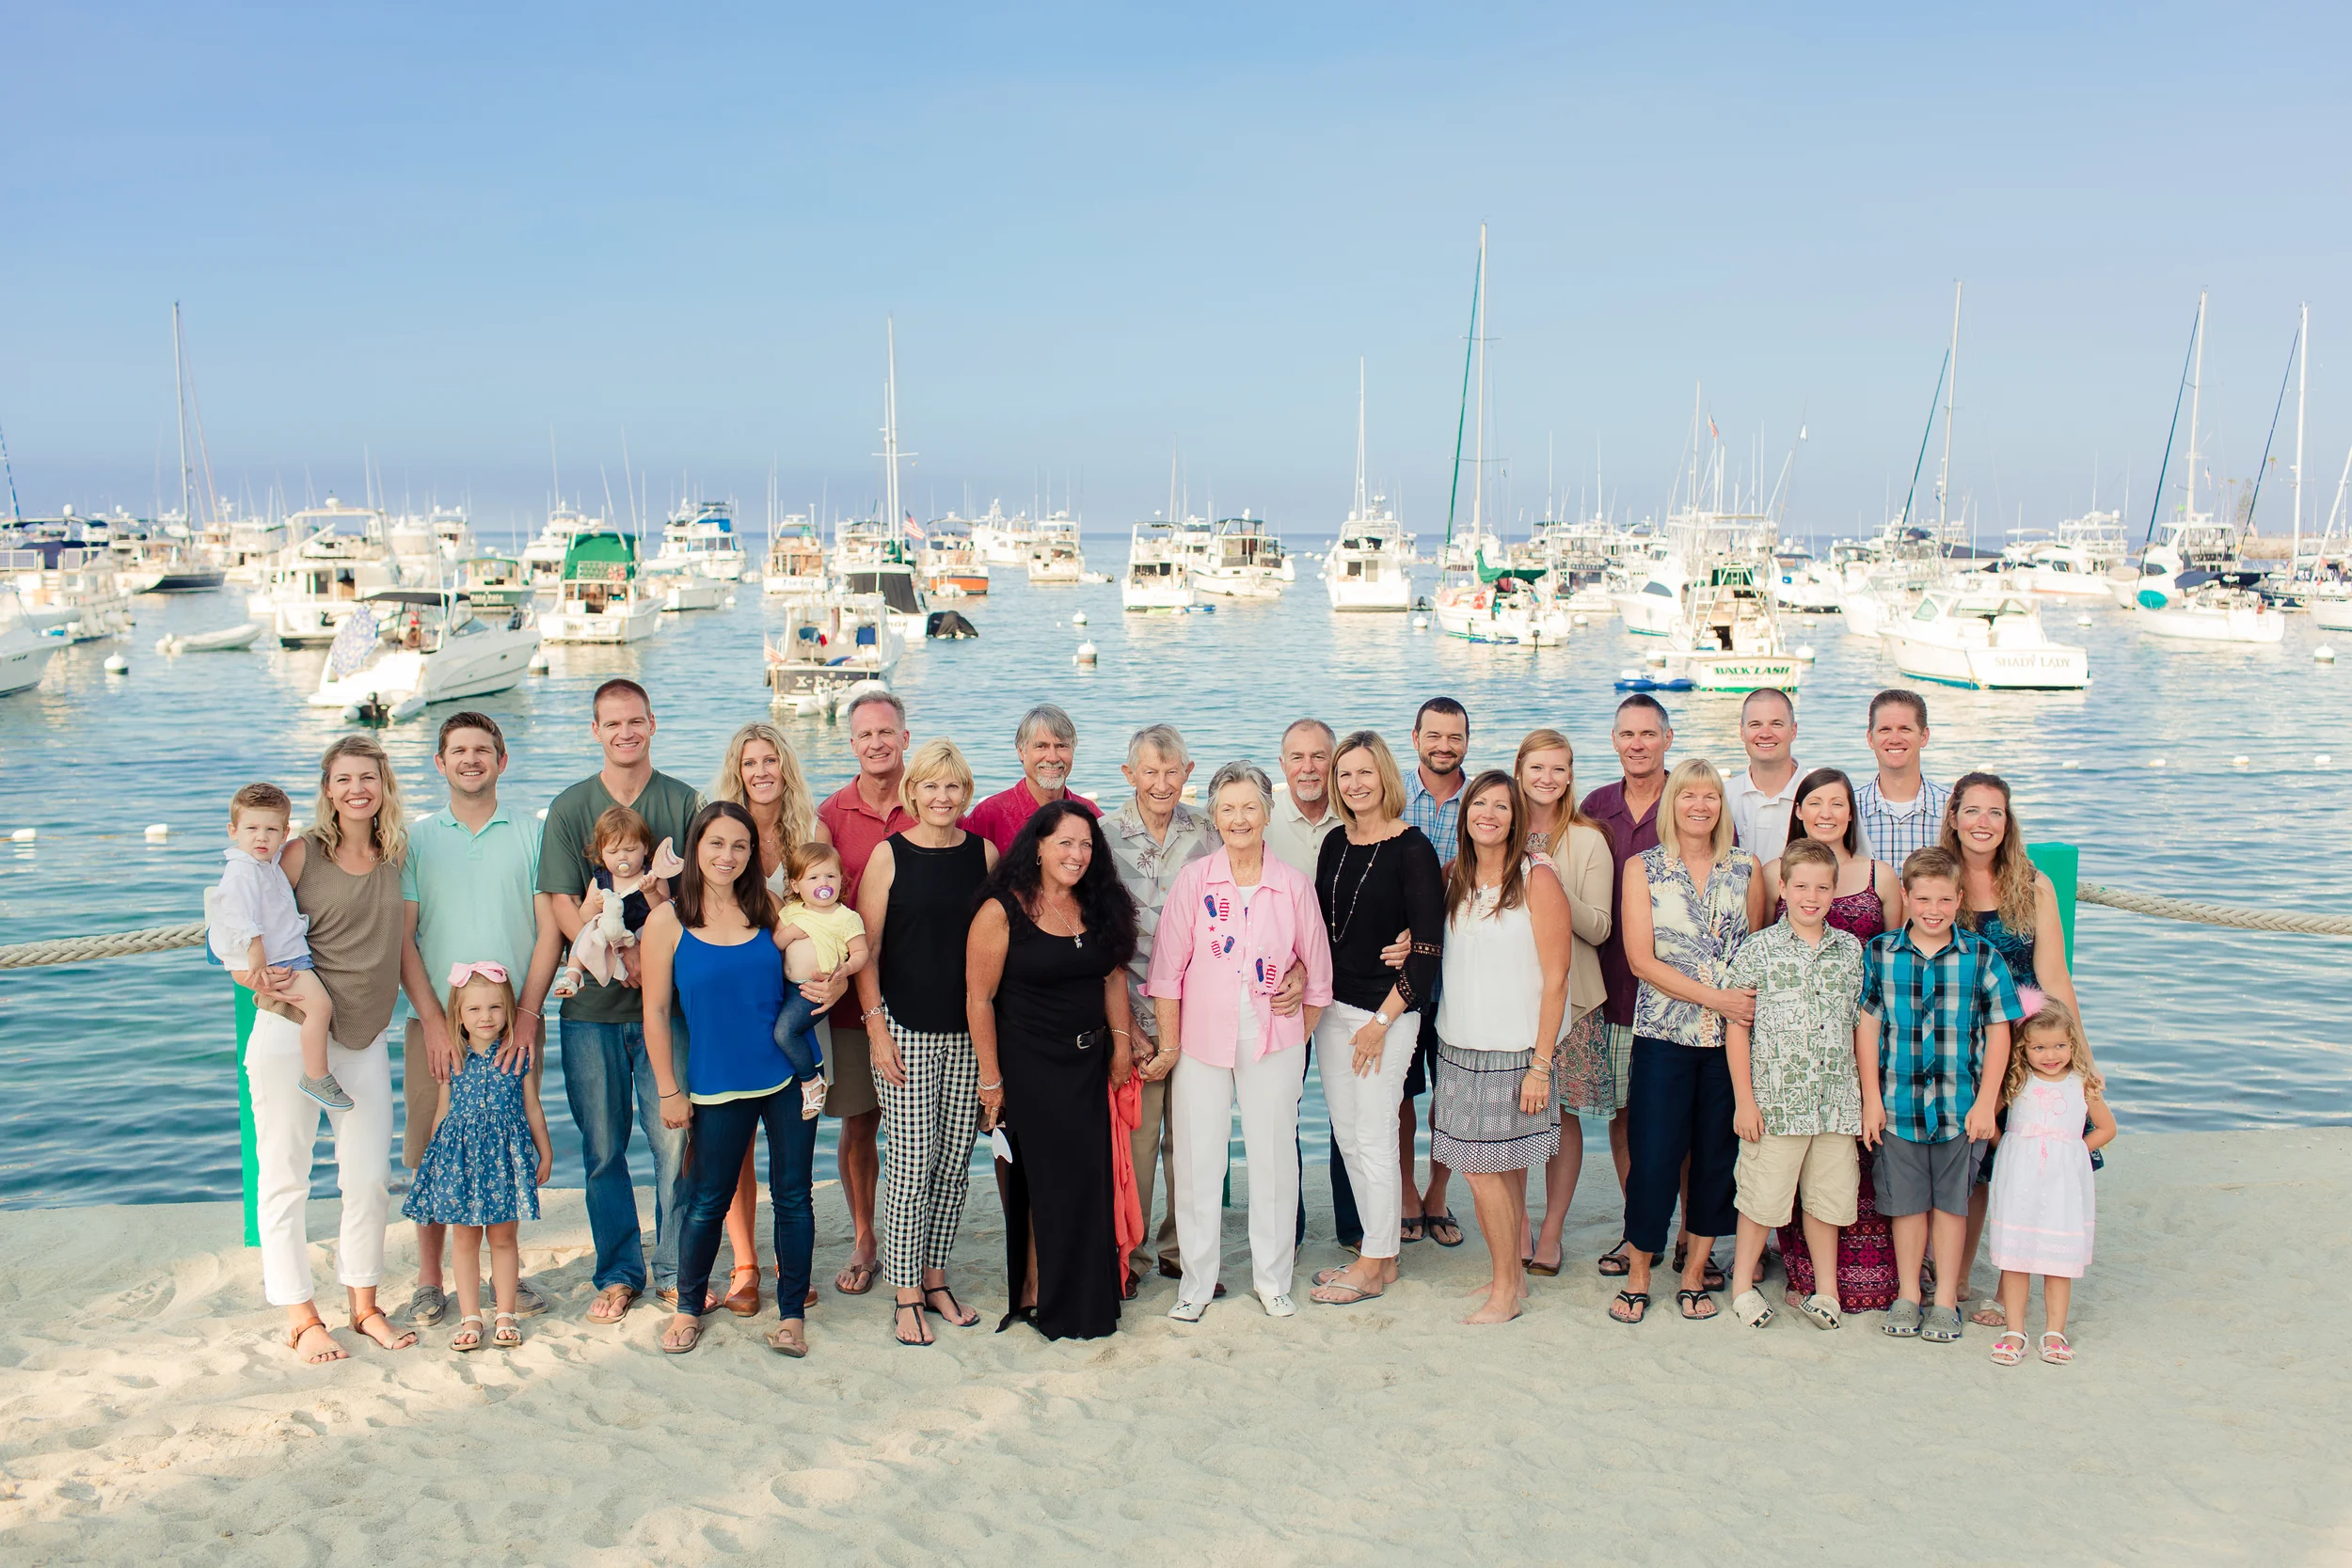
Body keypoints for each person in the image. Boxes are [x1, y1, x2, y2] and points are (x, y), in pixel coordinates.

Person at [236, 735, 424, 1363]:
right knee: (285, 1176)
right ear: (327, 789)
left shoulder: (396, 855)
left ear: (383, 784)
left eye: (367, 777)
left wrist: (432, 1017)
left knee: (368, 1178)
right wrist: (246, 973)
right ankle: (300, 1315)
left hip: (363, 1037)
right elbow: (240, 915)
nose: (356, 789)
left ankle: (363, 1305)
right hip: (291, 1030)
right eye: (343, 778)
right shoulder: (298, 853)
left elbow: (403, 947)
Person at [537, 678, 705, 1323]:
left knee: (674, 1143)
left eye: (635, 721)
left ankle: (675, 1269)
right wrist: (613, 956)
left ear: (652, 724)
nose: (625, 732)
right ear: (595, 730)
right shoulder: (570, 806)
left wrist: (647, 957)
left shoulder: (682, 801)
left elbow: (697, 896)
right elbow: (561, 902)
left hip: (668, 1008)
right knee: (603, 1148)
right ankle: (617, 1272)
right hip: (591, 1014)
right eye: (612, 723)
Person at [1149, 761, 1333, 1321]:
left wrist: (1295, 1041)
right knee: (1198, 1160)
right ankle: (1196, 1285)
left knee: (1273, 1159)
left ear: (1267, 812)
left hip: (1273, 1040)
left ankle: (1272, 1280)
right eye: (1227, 809)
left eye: (1250, 806)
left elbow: (1318, 980)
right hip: (1201, 1040)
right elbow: (1166, 974)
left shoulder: (1293, 885)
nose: (1239, 818)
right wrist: (1171, 1045)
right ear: (1214, 817)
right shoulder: (1194, 881)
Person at [398, 712, 562, 1330]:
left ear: (502, 760)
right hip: (437, 1024)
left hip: (514, 1023)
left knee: (509, 1138)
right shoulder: (416, 839)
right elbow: (404, 938)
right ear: (440, 762)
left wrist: (528, 1013)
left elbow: (549, 929)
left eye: (483, 750)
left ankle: (503, 1277)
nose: (471, 759)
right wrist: (434, 1023)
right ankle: (430, 1277)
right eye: (459, 750)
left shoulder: (532, 834)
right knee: (433, 1144)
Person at [640, 802, 820, 1357]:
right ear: (695, 846)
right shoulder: (667, 921)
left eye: (740, 845)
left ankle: (791, 1314)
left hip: (788, 1075)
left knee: (794, 1197)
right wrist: (669, 1090)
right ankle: (689, 1306)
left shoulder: (767, 906)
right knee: (706, 1201)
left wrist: (833, 980)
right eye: (716, 843)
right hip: (716, 1083)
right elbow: (655, 1013)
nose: (728, 855)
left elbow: (807, 972)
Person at [968, 800, 1141, 1339]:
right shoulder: (1003, 910)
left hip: (1087, 1065)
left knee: (1087, 1182)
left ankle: (1086, 1296)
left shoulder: (1098, 902)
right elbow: (978, 999)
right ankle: (1038, 1293)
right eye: (1065, 842)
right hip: (1030, 1069)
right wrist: (991, 1080)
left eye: (1086, 844)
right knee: (1046, 1184)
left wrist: (1120, 1045)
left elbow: (1113, 976)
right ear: (1038, 847)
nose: (1077, 854)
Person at [853, 737, 997, 1346]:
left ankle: (935, 1278)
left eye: (952, 786)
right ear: (913, 793)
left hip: (967, 1033)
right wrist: (876, 1028)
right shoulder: (888, 856)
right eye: (931, 786)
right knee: (911, 1164)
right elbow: (866, 949)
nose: (942, 796)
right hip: (905, 1031)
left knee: (954, 1165)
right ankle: (905, 1291)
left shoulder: (984, 854)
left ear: (966, 793)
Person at [1942, 769, 2091, 1328]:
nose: (1983, 822)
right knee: (1969, 1167)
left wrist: (2083, 1059)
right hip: (1959, 1042)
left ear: (2008, 822)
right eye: (1973, 810)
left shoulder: (2032, 883)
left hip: (2027, 1046)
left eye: (1995, 812)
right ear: (1954, 817)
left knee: (2024, 1164)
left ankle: (2010, 1292)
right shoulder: (1940, 878)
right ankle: (1957, 1277)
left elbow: (2054, 975)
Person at [1612, 757, 1757, 1324]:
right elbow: (1641, 960)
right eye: (1688, 796)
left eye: (1710, 796)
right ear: (1671, 804)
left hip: (1730, 1042)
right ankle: (1639, 1273)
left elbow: (1753, 951)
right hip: (1664, 1034)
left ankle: (1695, 1271)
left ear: (1722, 806)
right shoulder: (1643, 868)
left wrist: (1730, 1009)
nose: (1699, 806)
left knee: (1717, 1157)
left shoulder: (1746, 867)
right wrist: (1716, 999)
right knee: (1653, 1157)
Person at [1754, 766, 1903, 1314]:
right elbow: (1760, 950)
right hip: (1791, 1055)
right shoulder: (1773, 872)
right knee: (1793, 1160)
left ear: (1851, 812)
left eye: (1837, 803)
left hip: (1859, 1042)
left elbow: (1894, 961)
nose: (1826, 813)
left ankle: (1861, 1274)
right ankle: (1800, 1269)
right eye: (1815, 802)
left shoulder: (1880, 876)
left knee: (1854, 1160)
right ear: (1798, 811)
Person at [1858, 847, 2022, 1344]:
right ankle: (1909, 1294)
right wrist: (1871, 1100)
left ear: (1960, 900)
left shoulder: (1981, 956)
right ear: (1905, 897)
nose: (1934, 909)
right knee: (1906, 1205)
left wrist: (1987, 1102)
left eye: (1945, 899)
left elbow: (1999, 1030)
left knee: (1952, 1206)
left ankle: (1946, 1298)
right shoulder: (1880, 953)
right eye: (1924, 898)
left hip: (1960, 1107)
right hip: (1898, 1105)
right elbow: (1868, 1027)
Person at [1304, 733, 1443, 1307]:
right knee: (1348, 1136)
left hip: (1386, 1014)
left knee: (1377, 1135)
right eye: (1345, 774)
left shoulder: (1413, 848)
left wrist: (1380, 1022)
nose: (1355, 784)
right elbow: (1318, 927)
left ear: (1385, 775)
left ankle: (1374, 1260)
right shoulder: (1335, 842)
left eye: (1365, 772)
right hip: (1333, 1011)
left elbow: (1427, 952)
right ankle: (1379, 1258)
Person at [707, 720, 836, 1315]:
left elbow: (834, 918)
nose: (761, 772)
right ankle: (744, 1264)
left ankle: (790, 1261)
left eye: (770, 760)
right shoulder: (720, 831)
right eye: (749, 762)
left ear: (785, 765)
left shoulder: (812, 831)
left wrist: (838, 980)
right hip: (736, 1000)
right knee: (734, 1143)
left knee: (792, 1142)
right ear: (737, 771)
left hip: (797, 1004)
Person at [1431, 772, 1568, 1326]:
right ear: (1465, 813)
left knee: (1483, 1172)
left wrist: (1541, 1065)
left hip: (1515, 1053)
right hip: (1458, 1045)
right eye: (1479, 804)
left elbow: (1557, 979)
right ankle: (1509, 1278)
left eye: (1501, 806)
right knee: (1498, 1171)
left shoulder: (1537, 878)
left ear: (1516, 819)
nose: (1488, 814)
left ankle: (1506, 1291)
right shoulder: (1454, 878)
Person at [1722, 839, 1867, 1331]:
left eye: (1822, 888)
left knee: (1827, 1200)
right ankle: (1743, 1286)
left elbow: (1857, 1026)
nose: (1811, 897)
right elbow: (1737, 1028)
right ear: (1782, 888)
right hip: (1775, 1102)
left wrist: (1864, 1099)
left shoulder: (1849, 951)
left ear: (1835, 891)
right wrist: (1744, 1101)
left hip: (1835, 1102)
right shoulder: (1758, 949)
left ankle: (1826, 1290)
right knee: (1762, 1197)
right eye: (1801, 886)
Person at [1104, 723, 1214, 1293]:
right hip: (1132, 1019)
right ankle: (1133, 1258)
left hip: (1198, 1019)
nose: (1162, 783)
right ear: (1130, 774)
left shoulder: (1211, 830)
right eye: (1150, 772)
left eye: (1173, 772)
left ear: (1188, 773)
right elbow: (1097, 940)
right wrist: (1128, 1031)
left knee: (1192, 1145)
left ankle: (1185, 1254)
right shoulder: (1101, 837)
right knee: (1137, 1146)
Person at [814, 691, 915, 1297]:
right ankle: (864, 1237)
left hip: (923, 996)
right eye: (865, 735)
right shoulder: (831, 814)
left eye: (886, 732)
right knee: (859, 1121)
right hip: (852, 1002)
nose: (876, 743)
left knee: (918, 1128)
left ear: (905, 737)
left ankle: (915, 1239)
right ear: (851, 743)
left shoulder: (931, 798)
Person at [400, 961, 552, 1352]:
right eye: (475, 1008)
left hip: (504, 1160)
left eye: (495, 1007)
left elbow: (533, 1108)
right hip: (460, 1162)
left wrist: (545, 1152)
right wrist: (435, 1162)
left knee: (503, 1238)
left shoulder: (517, 1056)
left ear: (508, 1010)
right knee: (465, 1239)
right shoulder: (454, 1058)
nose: (486, 1017)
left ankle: (505, 1314)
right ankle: (471, 1316)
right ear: (459, 1014)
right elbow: (442, 1112)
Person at [1512, 729, 1614, 1277]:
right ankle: (1518, 1225)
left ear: (1571, 775)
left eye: (1558, 768)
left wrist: (1547, 878)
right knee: (1512, 1113)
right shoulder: (1497, 825)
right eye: (1537, 768)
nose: (1547, 778)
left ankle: (1551, 1228)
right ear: (1519, 771)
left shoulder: (1588, 839)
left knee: (1563, 1113)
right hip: (1510, 996)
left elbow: (1599, 928)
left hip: (1574, 998)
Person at [1581, 693, 1672, 1277]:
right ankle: (1638, 1227)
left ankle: (1686, 1233)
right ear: (1614, 741)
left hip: (1678, 995)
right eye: (1627, 734)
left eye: (1648, 734)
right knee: (1623, 1115)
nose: (1637, 745)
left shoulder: (1690, 800)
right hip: (1612, 987)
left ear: (1667, 738)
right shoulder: (1595, 806)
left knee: (1678, 1121)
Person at [1986, 996, 2115, 1367]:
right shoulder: (2016, 1080)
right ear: (2023, 1047)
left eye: (2059, 1045)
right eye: (2039, 1047)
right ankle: (2015, 1331)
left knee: (2057, 1259)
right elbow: (1988, 1119)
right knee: (2016, 1256)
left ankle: (2055, 1331)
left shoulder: (2082, 1084)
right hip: (2019, 1177)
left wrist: (2073, 1151)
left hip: (2063, 1182)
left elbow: (2107, 1128)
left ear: (2072, 1044)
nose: (2050, 1055)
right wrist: (2008, 1145)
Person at [211, 784, 342, 1109]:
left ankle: (315, 1071)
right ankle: (316, 1075)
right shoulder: (241, 870)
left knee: (316, 1006)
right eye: (251, 829)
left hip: (287, 953)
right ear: (233, 831)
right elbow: (235, 911)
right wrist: (255, 948)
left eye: (271, 830)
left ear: (284, 833)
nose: (261, 838)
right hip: (280, 959)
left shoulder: (266, 863)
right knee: (320, 1007)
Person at [1398, 697, 1470, 1247]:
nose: (1444, 746)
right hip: (1402, 975)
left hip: (1465, 975)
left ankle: (1439, 1193)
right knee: (1399, 1092)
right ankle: (1405, 1193)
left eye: (1455, 737)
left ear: (1467, 741)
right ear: (1416, 738)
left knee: (1453, 1095)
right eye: (1435, 736)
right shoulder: (1393, 795)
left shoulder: (1485, 800)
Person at [773, 842, 867, 1119]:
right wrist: (790, 933)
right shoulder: (792, 912)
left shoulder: (845, 917)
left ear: (840, 880)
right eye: (813, 877)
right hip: (787, 987)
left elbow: (861, 953)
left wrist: (846, 969)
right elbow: (776, 943)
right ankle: (803, 1072)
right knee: (787, 1031)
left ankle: (811, 1080)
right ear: (796, 885)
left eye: (830, 876)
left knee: (785, 1032)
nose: (823, 883)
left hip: (816, 990)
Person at [548, 807, 673, 999]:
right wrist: (595, 904)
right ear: (602, 853)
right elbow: (584, 915)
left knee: (660, 936)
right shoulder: (601, 879)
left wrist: (651, 892)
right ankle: (573, 974)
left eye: (630, 850)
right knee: (589, 929)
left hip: (643, 930)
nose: (622, 857)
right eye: (613, 851)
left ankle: (660, 983)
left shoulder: (652, 876)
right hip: (610, 934)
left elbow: (664, 911)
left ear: (645, 848)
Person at [964, 703, 1100, 855]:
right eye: (1041, 746)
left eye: (1061, 746)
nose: (1053, 758)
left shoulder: (1091, 814)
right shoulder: (989, 815)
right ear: (1021, 751)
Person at [1853, 689, 1949, 864]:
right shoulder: (1849, 808)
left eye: (1905, 729)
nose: (1895, 739)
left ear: (1924, 736)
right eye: (1885, 730)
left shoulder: (1951, 808)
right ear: (1870, 738)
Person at [1724, 688, 1803, 863]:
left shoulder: (1818, 796)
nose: (1766, 734)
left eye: (1776, 724)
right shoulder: (1723, 797)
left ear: (1793, 730)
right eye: (1755, 725)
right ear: (1742, 732)